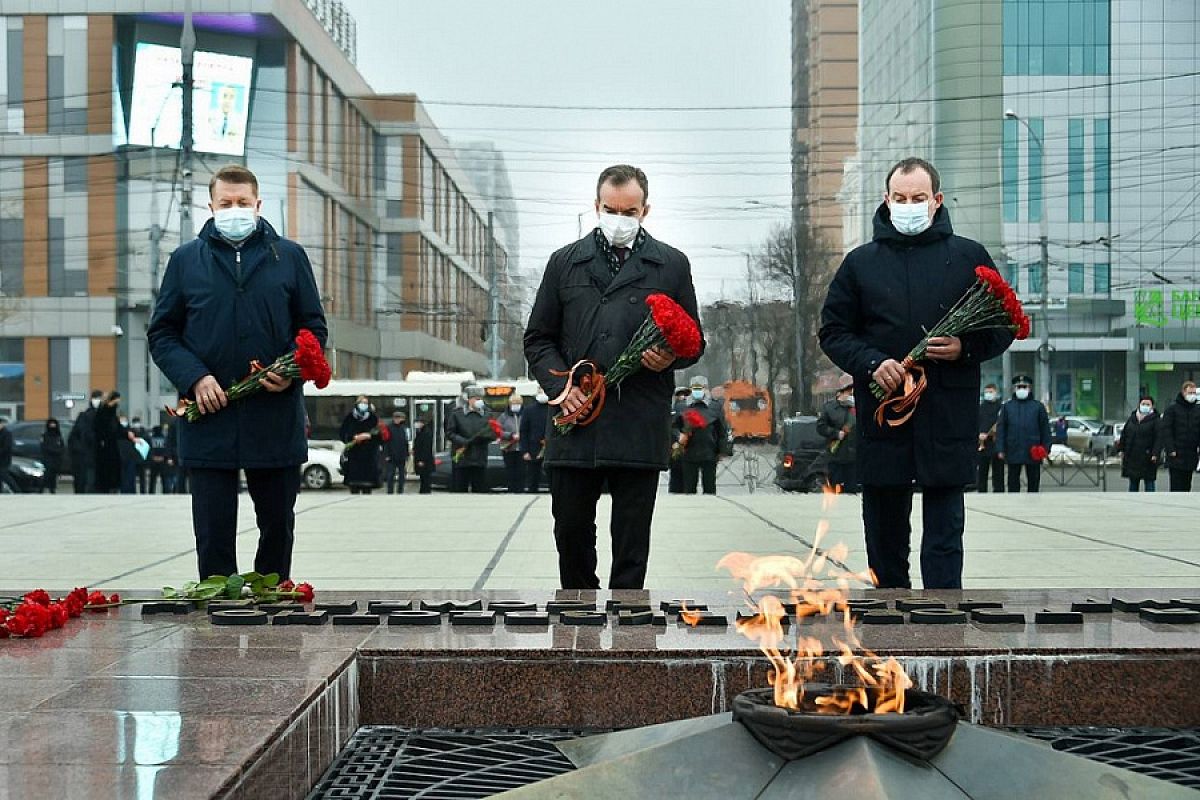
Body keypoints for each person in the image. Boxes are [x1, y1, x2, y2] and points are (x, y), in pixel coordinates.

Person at [819, 157, 1014, 590]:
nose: (909, 205)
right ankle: (890, 623)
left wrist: (965, 347)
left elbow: (1003, 327)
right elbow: (832, 332)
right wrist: (872, 362)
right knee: (885, 538)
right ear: (887, 200)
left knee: (945, 536)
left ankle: (943, 624)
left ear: (937, 200)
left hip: (947, 415)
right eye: (901, 198)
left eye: (918, 198)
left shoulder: (969, 257)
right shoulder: (860, 263)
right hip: (885, 416)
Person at [525, 164, 704, 590]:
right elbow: (538, 338)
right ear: (596, 206)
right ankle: (578, 625)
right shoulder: (564, 262)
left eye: (630, 210)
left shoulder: (671, 264)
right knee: (570, 534)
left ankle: (628, 629)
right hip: (576, 421)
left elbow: (694, 341)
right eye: (611, 209)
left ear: (645, 210)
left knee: (631, 542)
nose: (619, 218)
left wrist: (671, 357)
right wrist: (560, 387)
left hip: (638, 422)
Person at [148, 163, 327, 581]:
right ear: (210, 205)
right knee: (212, 531)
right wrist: (195, 377)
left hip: (274, 415)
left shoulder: (290, 257)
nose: (234, 209)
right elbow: (162, 333)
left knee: (277, 525)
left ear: (258, 204)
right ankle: (217, 606)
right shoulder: (186, 260)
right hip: (209, 417)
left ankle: (272, 595)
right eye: (225, 203)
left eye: (242, 203)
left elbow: (313, 329)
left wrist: (292, 370)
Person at [996, 375, 1051, 492]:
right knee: (1012, 480)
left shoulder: (1038, 407)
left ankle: (1033, 503)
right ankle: (1014, 503)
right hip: (1013, 448)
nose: (1021, 389)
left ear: (1029, 388)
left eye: (1024, 386)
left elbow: (1045, 429)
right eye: (1018, 387)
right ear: (1014, 389)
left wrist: (1046, 448)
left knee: (1034, 480)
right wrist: (1000, 449)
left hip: (1033, 449)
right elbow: (1001, 429)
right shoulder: (1007, 407)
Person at [674, 376, 727, 495]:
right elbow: (673, 426)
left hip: (709, 452)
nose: (698, 391)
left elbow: (722, 429)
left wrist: (722, 450)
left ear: (706, 389)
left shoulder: (715, 406)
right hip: (688, 452)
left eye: (701, 388)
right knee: (689, 487)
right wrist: (679, 438)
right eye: (695, 388)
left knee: (709, 487)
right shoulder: (681, 406)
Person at [1156, 380, 1200, 492]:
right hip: (1175, 455)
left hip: (1191, 454)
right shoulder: (1172, 409)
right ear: (1183, 392)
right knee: (1176, 485)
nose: (1192, 396)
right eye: (1190, 393)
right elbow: (1166, 430)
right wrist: (1170, 449)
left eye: (1194, 393)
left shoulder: (1197, 410)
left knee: (1187, 485)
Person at [446, 388, 491, 493]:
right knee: (460, 489)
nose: (479, 401)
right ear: (469, 400)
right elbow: (450, 433)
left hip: (479, 458)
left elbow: (491, 432)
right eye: (476, 398)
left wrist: (484, 438)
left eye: (481, 399)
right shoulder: (457, 414)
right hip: (462, 457)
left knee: (479, 489)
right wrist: (463, 441)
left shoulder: (487, 414)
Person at [817, 382, 859, 493]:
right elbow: (821, 427)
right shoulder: (829, 408)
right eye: (849, 393)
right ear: (839, 393)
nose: (851, 396)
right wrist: (835, 433)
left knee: (852, 491)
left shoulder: (858, 408)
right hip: (835, 456)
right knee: (834, 489)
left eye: (853, 393)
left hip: (854, 457)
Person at [341, 395, 384, 495]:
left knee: (367, 488)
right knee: (354, 487)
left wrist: (369, 436)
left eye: (365, 403)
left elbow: (380, 437)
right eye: (361, 403)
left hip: (368, 457)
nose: (363, 405)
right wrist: (353, 437)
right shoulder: (350, 417)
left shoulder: (373, 418)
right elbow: (343, 434)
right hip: (354, 455)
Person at [1117, 395, 1160, 492]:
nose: (1145, 406)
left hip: (1148, 457)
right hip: (1133, 456)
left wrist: (1155, 453)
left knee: (1149, 483)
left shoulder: (1156, 420)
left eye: (1148, 404)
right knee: (1133, 483)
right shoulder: (1132, 419)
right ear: (1139, 405)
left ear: (1152, 406)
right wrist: (1121, 449)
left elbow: (1159, 439)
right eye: (1143, 404)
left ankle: (1150, 504)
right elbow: (1125, 434)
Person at [68, 390, 103, 493]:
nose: (97, 401)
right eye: (96, 398)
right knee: (87, 481)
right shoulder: (84, 416)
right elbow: (75, 436)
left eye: (99, 398)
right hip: (87, 455)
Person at [93, 391, 124, 494]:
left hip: (112, 445)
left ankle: (113, 487)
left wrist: (127, 434)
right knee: (106, 468)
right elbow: (99, 428)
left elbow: (118, 428)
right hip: (104, 446)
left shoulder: (112, 414)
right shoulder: (103, 412)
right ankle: (106, 487)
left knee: (114, 467)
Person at [976, 383, 1004, 493]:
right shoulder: (980, 408)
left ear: (996, 392)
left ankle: (999, 491)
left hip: (996, 444)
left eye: (991, 392)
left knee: (998, 473)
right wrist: (978, 434)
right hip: (983, 445)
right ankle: (981, 491)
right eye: (987, 392)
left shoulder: (1001, 408)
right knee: (982, 472)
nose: (989, 394)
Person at [520, 391, 550, 493]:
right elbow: (523, 431)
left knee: (553, 476)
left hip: (551, 448)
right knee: (533, 476)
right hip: (533, 449)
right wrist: (525, 451)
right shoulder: (529, 410)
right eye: (540, 390)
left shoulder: (554, 408)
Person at [498, 396, 524, 493]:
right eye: (513, 403)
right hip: (508, 448)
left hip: (522, 448)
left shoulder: (525, 415)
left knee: (521, 471)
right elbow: (498, 431)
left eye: (517, 403)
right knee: (510, 471)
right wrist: (510, 435)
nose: (515, 405)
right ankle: (511, 489)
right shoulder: (503, 417)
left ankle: (520, 490)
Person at [667, 386, 690, 493]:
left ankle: (678, 490)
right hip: (677, 444)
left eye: (685, 395)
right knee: (678, 471)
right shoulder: (675, 409)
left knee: (680, 472)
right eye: (680, 395)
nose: (683, 397)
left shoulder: (686, 408)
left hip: (682, 443)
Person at [383, 410, 410, 494]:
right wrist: (386, 454)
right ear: (394, 418)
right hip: (391, 456)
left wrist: (406, 454)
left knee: (402, 475)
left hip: (401, 456)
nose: (398, 420)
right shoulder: (389, 428)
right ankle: (390, 491)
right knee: (391, 474)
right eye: (397, 418)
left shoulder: (403, 428)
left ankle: (400, 491)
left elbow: (405, 442)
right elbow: (385, 442)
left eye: (400, 418)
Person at [38, 418, 65, 494]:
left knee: (53, 475)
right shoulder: (45, 435)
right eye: (51, 423)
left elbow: (62, 446)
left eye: (54, 423)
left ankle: (52, 489)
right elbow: (44, 447)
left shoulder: (58, 435)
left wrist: (59, 452)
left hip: (56, 459)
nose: (52, 425)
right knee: (47, 475)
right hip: (48, 458)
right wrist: (54, 450)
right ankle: (41, 489)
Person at [147, 423, 175, 494]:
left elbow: (149, 449)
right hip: (163, 461)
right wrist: (164, 457)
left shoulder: (151, 438)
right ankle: (165, 492)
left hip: (154, 461)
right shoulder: (165, 438)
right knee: (164, 478)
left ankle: (151, 492)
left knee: (152, 480)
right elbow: (167, 449)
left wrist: (152, 457)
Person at [411, 416, 435, 494]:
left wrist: (422, 460)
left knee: (426, 478)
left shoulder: (426, 432)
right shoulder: (420, 432)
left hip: (425, 461)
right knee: (423, 477)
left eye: (418, 422)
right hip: (420, 459)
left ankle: (425, 492)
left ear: (422, 423)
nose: (416, 424)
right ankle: (423, 490)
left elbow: (426, 448)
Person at [0, 417, 11, 485]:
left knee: (5, 476)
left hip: (4, 459)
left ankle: (17, 491)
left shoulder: (7, 433)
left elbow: (6, 447)